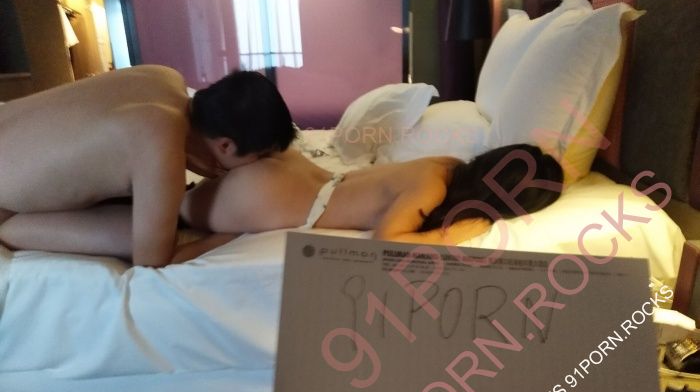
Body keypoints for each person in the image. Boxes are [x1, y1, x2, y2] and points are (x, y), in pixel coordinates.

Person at [0, 66, 296, 266]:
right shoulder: (161, 140)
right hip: (4, 207)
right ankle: (9, 229)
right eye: (260, 156)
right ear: (226, 146)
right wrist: (225, 238)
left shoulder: (163, 76)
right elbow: (152, 260)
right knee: (141, 234)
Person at [177, 143, 564, 249]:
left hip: (297, 177)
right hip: (283, 199)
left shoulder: (448, 165)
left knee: (173, 203)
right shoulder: (432, 189)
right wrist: (456, 233)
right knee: (167, 215)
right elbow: (386, 241)